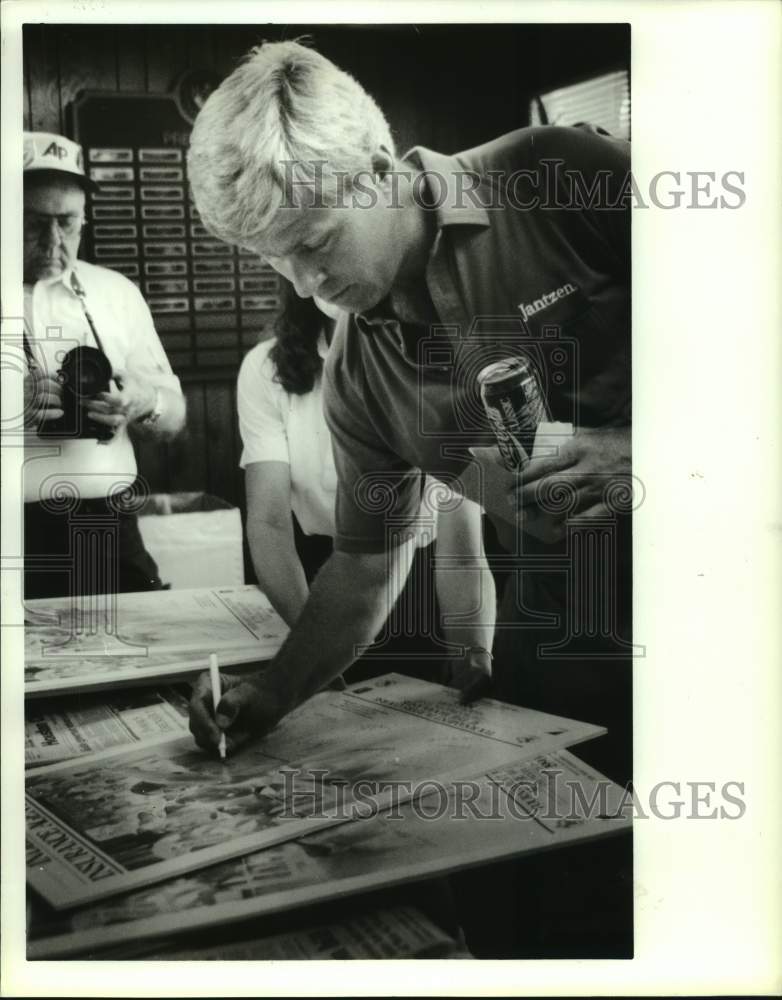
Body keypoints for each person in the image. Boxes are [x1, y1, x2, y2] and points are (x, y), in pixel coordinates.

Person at [187, 41, 633, 787]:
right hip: (560, 639)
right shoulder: (355, 376)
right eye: (273, 258)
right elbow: (366, 569)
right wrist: (272, 692)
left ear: (378, 170)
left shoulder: (558, 173)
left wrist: (652, 447)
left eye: (316, 242)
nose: (305, 285)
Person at [237, 276, 495, 686]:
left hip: (422, 586)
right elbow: (269, 523)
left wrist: (473, 655)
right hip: (311, 587)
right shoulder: (265, 368)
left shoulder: (446, 363)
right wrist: (311, 656)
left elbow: (461, 550)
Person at [22, 132, 186, 599]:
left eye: (67, 222)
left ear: (84, 220)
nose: (53, 241)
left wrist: (142, 402)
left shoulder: (117, 292)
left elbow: (174, 416)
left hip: (109, 523)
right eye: (34, 223)